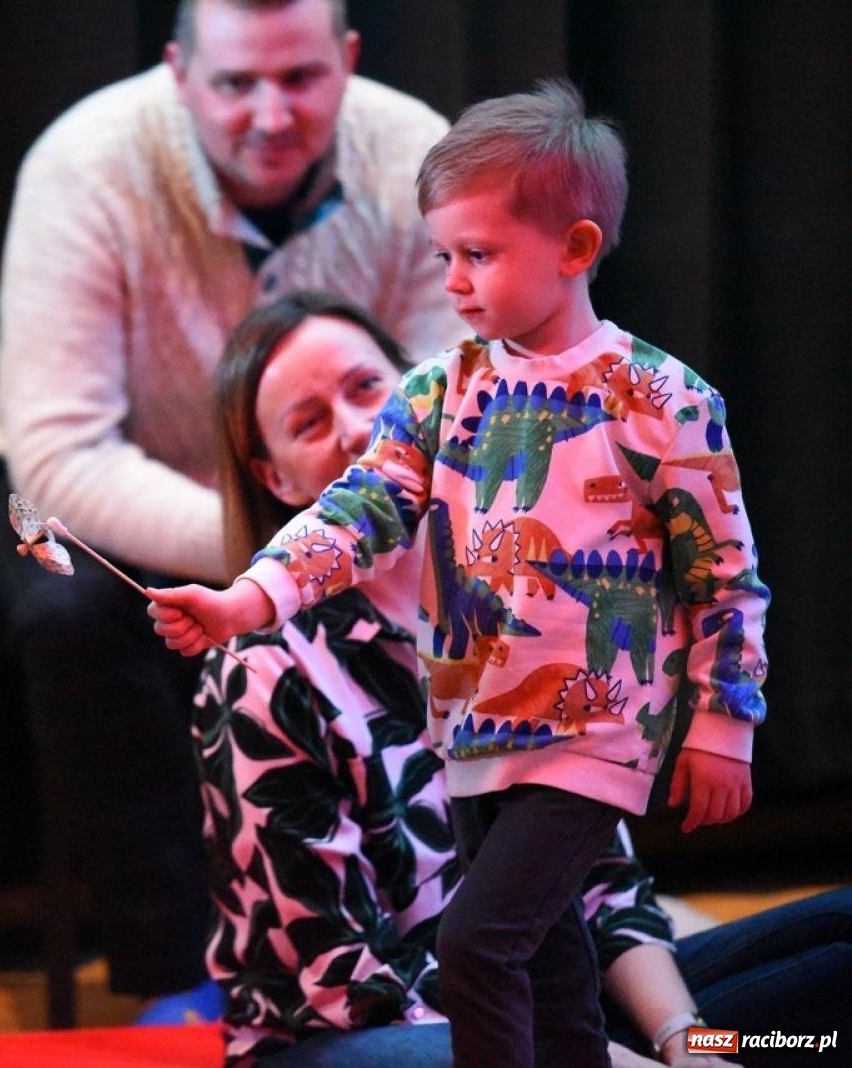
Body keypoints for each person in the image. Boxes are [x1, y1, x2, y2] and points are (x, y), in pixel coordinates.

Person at [150, 81, 772, 1066]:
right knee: (541, 973)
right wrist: (246, 597)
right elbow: (357, 510)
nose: (453, 283)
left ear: (573, 249)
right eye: (444, 257)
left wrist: (721, 724)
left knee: (483, 946)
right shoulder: (441, 395)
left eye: (475, 255)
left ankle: (719, 1047)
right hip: (467, 750)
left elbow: (721, 573)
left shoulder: (663, 399)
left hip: (588, 727)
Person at [194, 289, 852, 1068]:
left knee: (825, 960)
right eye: (308, 422)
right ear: (278, 480)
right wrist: (611, 1063)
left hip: (557, 1003)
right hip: (366, 1028)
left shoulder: (529, 596)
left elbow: (602, 884)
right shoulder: (265, 667)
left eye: (369, 389)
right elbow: (341, 973)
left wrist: (679, 1042)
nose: (357, 428)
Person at [0, 0, 465, 1018]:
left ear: (350, 60)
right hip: (114, 496)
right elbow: (57, 457)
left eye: (300, 78)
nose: (270, 115)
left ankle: (466, 923)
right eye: (237, 83)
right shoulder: (84, 162)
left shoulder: (417, 153)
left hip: (361, 501)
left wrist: (338, 542)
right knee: (68, 616)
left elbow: (444, 404)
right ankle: (176, 978)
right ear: (179, 73)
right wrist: (286, 561)